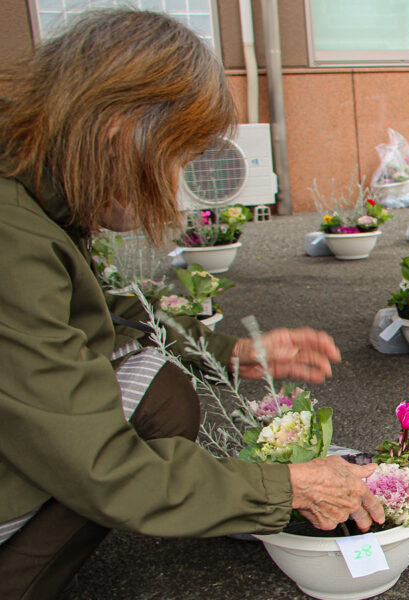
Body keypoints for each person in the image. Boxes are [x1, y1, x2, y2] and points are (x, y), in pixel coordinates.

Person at [0, 9, 383, 598]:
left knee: (162, 393)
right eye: (176, 154)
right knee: (128, 438)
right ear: (121, 129)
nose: (175, 180)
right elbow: (99, 465)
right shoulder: (11, 237)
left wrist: (229, 351)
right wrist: (289, 487)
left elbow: (94, 315)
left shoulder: (33, 196)